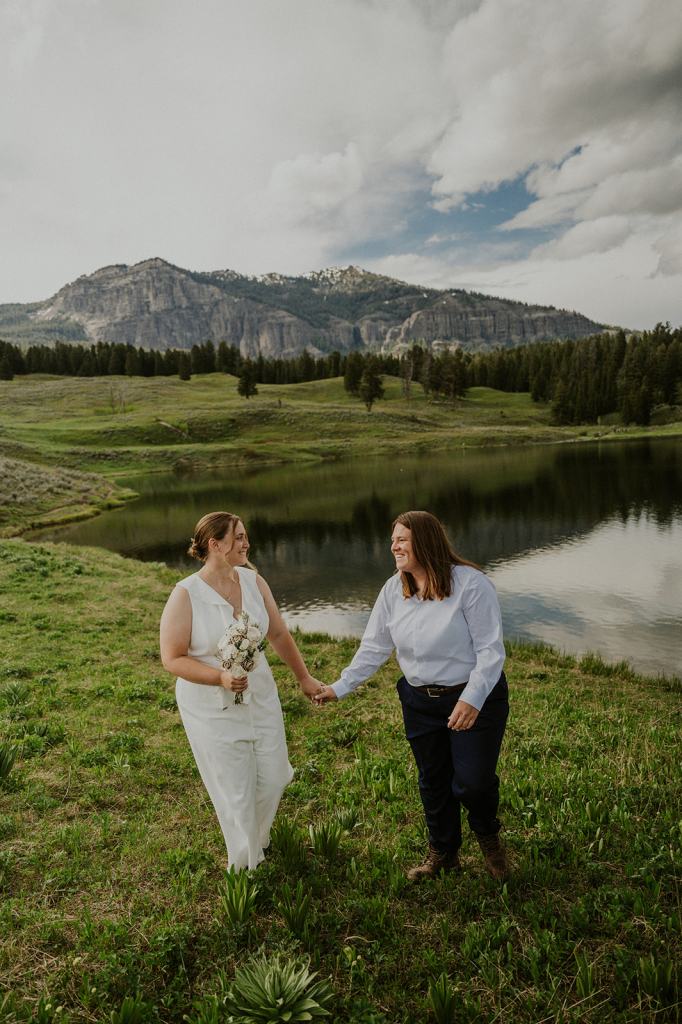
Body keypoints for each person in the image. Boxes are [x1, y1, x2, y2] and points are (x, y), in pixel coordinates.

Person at [315, 510, 510, 881]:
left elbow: (490, 651)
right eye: (393, 540)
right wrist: (339, 687)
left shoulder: (471, 584)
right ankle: (443, 853)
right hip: (420, 701)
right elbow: (374, 647)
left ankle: (489, 840)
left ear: (426, 540)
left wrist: (471, 699)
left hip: (473, 698)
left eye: (401, 539)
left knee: (472, 781)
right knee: (433, 780)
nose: (394, 546)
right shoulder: (393, 589)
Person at [160, 511, 324, 871]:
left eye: (246, 536)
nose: (246, 543)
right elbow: (172, 659)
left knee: (276, 773)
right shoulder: (186, 594)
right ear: (214, 544)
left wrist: (304, 678)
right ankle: (246, 864)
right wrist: (218, 677)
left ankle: (258, 837)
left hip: (259, 693)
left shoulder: (253, 582)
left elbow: (279, 634)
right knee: (235, 787)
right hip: (210, 704)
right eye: (238, 538)